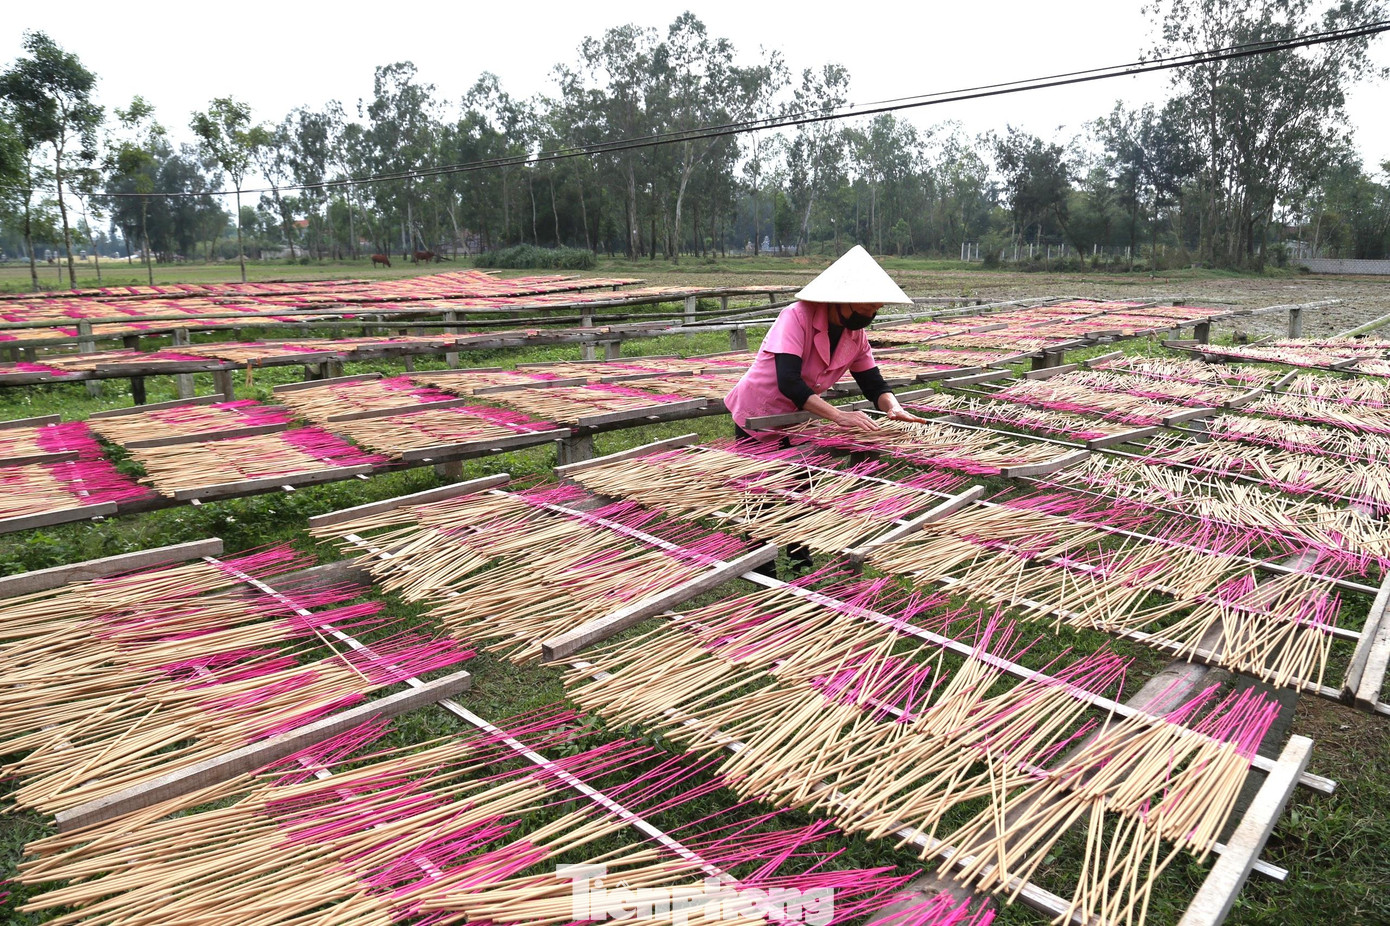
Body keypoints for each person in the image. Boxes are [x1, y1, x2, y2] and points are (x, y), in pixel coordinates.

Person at [724, 245, 929, 440]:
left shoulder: (856, 336)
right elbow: (789, 382)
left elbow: (873, 384)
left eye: (875, 309)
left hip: (801, 418)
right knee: (759, 466)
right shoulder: (796, 317)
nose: (869, 315)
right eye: (866, 307)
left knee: (801, 466)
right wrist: (839, 415)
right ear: (841, 299)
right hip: (760, 411)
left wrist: (893, 406)